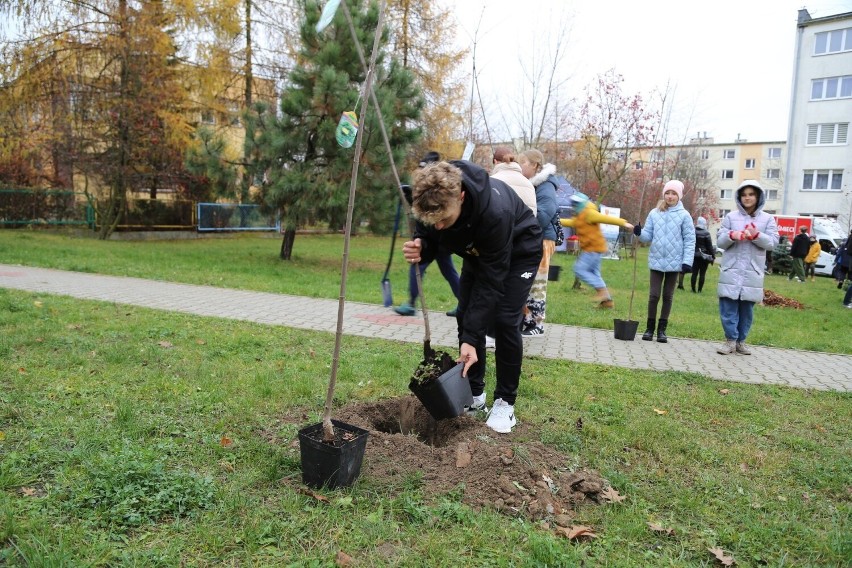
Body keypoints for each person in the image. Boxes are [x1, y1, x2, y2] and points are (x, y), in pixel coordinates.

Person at [402, 160, 542, 434]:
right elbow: (431, 235)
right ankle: (476, 394)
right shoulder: (434, 202)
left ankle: (505, 403)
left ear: (462, 197)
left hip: (518, 251)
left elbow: (491, 283)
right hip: (478, 253)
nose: (439, 226)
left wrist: (469, 339)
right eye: (434, 221)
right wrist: (422, 247)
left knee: (504, 319)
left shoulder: (495, 214)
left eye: (445, 219)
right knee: (465, 315)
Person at [715, 180, 779, 354]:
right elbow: (720, 241)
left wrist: (757, 235)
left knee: (746, 311)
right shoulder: (730, 217)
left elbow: (773, 243)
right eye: (744, 194)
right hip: (731, 270)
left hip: (752, 272)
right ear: (739, 197)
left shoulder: (767, 219)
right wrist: (732, 235)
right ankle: (730, 340)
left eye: (751, 194)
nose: (747, 198)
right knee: (728, 308)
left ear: (758, 196)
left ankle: (741, 341)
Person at [394, 151, 461, 317]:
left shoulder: (441, 185)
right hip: (430, 237)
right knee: (447, 270)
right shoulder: (426, 183)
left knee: (419, 265)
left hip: (438, 237)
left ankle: (411, 303)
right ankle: (464, 303)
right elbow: (420, 206)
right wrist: (408, 195)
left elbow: (432, 208)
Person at [485, 147, 537, 348]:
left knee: (494, 287)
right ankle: (510, 334)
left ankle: (491, 335)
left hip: (500, 242)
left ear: (495, 161)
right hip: (525, 244)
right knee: (513, 293)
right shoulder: (528, 183)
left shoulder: (493, 182)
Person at [634, 180, 695, 343]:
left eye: (674, 193)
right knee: (654, 295)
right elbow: (648, 235)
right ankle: (649, 328)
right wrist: (639, 233)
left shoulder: (684, 216)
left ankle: (662, 330)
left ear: (679, 196)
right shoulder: (654, 213)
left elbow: (690, 240)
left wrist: (687, 261)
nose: (670, 196)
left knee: (668, 296)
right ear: (664, 194)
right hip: (656, 260)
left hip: (675, 263)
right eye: (668, 193)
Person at [560, 192, 633, 308]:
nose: (574, 206)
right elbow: (570, 222)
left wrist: (623, 223)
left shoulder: (589, 213)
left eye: (576, 204)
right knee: (595, 274)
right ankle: (607, 302)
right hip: (594, 248)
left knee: (579, 269)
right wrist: (555, 221)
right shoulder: (579, 216)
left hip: (593, 248)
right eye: (573, 204)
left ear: (582, 203)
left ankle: (602, 291)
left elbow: (605, 218)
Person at [517, 149, 559, 336]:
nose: (520, 166)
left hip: (542, 240)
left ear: (535, 165)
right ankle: (526, 319)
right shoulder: (532, 185)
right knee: (528, 280)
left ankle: (536, 323)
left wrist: (523, 224)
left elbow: (544, 214)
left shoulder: (546, 186)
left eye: (523, 162)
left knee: (538, 282)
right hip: (534, 238)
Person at [690, 216, 715, 293]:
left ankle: (693, 289)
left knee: (694, 273)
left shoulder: (692, 231)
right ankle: (700, 290)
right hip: (704, 256)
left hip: (694, 256)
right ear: (704, 223)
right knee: (702, 274)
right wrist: (713, 255)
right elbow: (710, 246)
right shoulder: (706, 233)